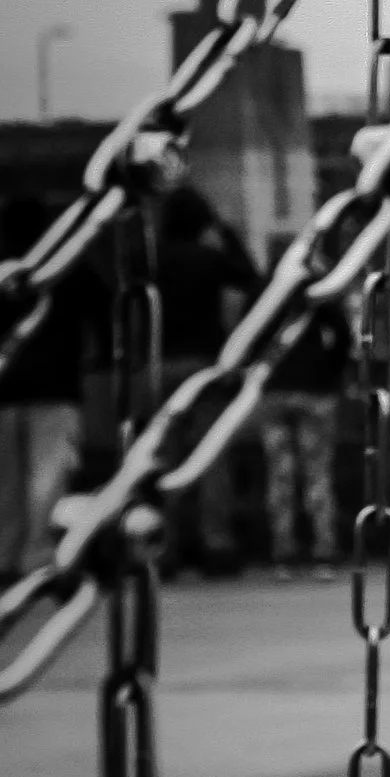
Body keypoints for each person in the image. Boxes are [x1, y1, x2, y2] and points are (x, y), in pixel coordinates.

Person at [0, 198, 108, 581]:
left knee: (2, 478)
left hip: (1, 384)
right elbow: (101, 314)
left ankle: (0, 557)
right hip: (56, 383)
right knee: (47, 476)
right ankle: (36, 556)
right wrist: (98, 358)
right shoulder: (69, 269)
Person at [157, 186, 263, 575]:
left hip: (161, 362)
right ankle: (215, 540)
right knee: (212, 455)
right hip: (204, 361)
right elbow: (253, 280)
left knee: (163, 456)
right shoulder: (209, 258)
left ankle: (162, 542)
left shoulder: (153, 260)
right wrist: (227, 237)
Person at [259, 294, 348, 577]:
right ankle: (324, 551)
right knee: (317, 472)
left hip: (275, 388)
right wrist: (328, 371)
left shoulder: (267, 291)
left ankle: (282, 553)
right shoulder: (321, 293)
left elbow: (248, 338)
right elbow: (343, 338)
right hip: (315, 390)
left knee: (280, 474)